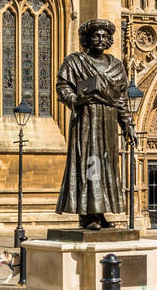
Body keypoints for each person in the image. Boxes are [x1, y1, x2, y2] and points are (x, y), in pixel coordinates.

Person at [55, 17, 136, 229]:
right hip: (87, 120)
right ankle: (87, 214)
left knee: (106, 166)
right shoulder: (74, 61)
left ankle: (100, 212)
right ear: (87, 39)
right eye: (96, 36)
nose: (100, 39)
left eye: (104, 36)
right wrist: (76, 99)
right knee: (90, 164)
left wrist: (128, 125)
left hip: (108, 121)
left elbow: (121, 99)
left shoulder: (117, 65)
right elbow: (63, 87)